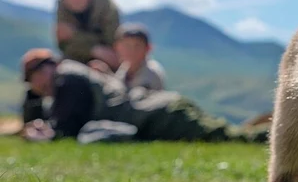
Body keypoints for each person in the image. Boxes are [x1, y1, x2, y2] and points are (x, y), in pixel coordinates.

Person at [18, 48, 260, 144]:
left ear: (45, 69)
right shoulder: (70, 75)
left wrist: (46, 133)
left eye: (33, 77)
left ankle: (275, 137)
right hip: (162, 111)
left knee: (231, 139)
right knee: (227, 135)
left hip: (162, 115)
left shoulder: (67, 77)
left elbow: (68, 125)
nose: (35, 85)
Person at [55, 0, 121, 71]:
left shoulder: (107, 8)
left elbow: (112, 52)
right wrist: (95, 49)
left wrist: (75, 35)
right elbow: (65, 46)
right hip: (75, 61)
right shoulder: (63, 8)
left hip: (106, 68)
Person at [91, 23, 166, 92]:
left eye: (137, 46)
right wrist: (106, 74)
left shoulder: (152, 73)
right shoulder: (125, 66)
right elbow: (120, 85)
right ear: (116, 47)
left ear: (148, 48)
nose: (132, 51)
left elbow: (129, 98)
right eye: (126, 46)